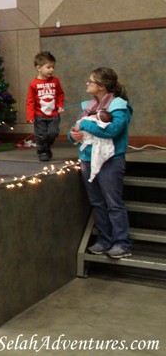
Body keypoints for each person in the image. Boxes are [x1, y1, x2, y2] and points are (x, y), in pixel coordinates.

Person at [68, 67, 133, 259]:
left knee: (113, 203)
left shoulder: (119, 106)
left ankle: (121, 243)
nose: (87, 84)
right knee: (97, 202)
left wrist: (85, 124)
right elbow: (74, 132)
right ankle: (105, 240)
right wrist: (74, 135)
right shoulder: (88, 106)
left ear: (102, 86)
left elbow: (111, 130)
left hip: (110, 162)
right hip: (87, 159)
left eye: (91, 81)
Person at [25, 51, 65, 162]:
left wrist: (60, 105)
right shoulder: (33, 84)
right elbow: (30, 101)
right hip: (39, 114)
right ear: (39, 68)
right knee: (41, 135)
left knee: (53, 133)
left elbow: (60, 94)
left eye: (53, 67)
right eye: (49, 67)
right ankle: (42, 151)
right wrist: (30, 116)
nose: (52, 70)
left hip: (53, 114)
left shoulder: (55, 81)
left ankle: (46, 147)